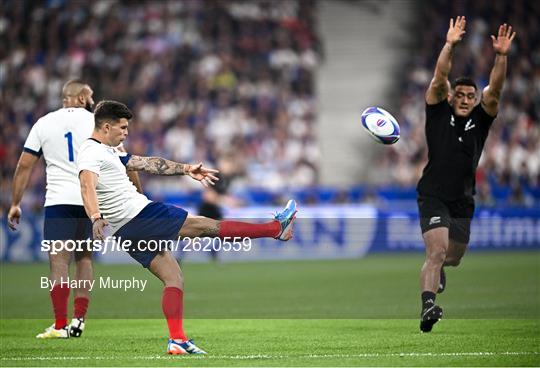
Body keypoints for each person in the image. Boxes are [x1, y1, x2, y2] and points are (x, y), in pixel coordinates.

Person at [77, 100, 297, 355]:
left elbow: (147, 163)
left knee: (174, 277)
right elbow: (86, 186)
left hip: (126, 229)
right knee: (205, 226)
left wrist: (186, 169)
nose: (126, 133)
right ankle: (274, 229)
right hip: (138, 215)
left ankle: (177, 340)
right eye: (123, 128)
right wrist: (94, 216)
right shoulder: (91, 152)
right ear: (106, 126)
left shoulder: (110, 151)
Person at [7, 79, 143, 339]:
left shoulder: (43, 123)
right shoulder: (97, 123)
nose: (92, 100)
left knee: (58, 262)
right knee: (84, 258)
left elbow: (24, 165)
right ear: (81, 97)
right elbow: (127, 161)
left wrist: (15, 203)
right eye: (90, 96)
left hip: (58, 200)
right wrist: (138, 192)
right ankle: (79, 320)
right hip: (90, 198)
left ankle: (59, 325)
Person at [417, 17, 516, 332]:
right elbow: (439, 76)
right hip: (433, 193)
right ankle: (428, 306)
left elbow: (496, 88)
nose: (463, 100)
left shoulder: (481, 119)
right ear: (450, 97)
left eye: (469, 97)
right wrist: (449, 44)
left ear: (475, 100)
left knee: (453, 257)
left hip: (463, 198)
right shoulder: (437, 110)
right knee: (437, 250)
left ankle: (441, 270)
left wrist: (501, 56)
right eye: (458, 95)